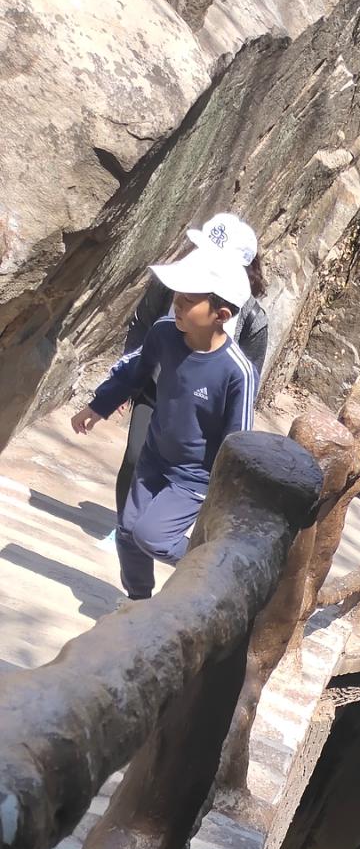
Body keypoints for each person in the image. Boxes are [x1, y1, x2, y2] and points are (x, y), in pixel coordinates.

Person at [70, 235, 258, 602]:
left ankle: (208, 567)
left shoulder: (238, 372)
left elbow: (238, 441)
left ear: (221, 315)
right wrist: (98, 406)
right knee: (127, 532)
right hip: (154, 458)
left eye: (188, 301)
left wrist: (228, 495)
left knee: (152, 537)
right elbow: (135, 373)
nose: (178, 306)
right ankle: (139, 604)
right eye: (177, 297)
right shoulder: (163, 333)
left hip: (193, 476)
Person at [110, 214, 268, 525]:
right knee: (136, 458)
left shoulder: (252, 319)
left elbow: (249, 380)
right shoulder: (169, 284)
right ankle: (125, 527)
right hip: (156, 389)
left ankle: (165, 529)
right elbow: (142, 325)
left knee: (181, 473)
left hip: (205, 413)